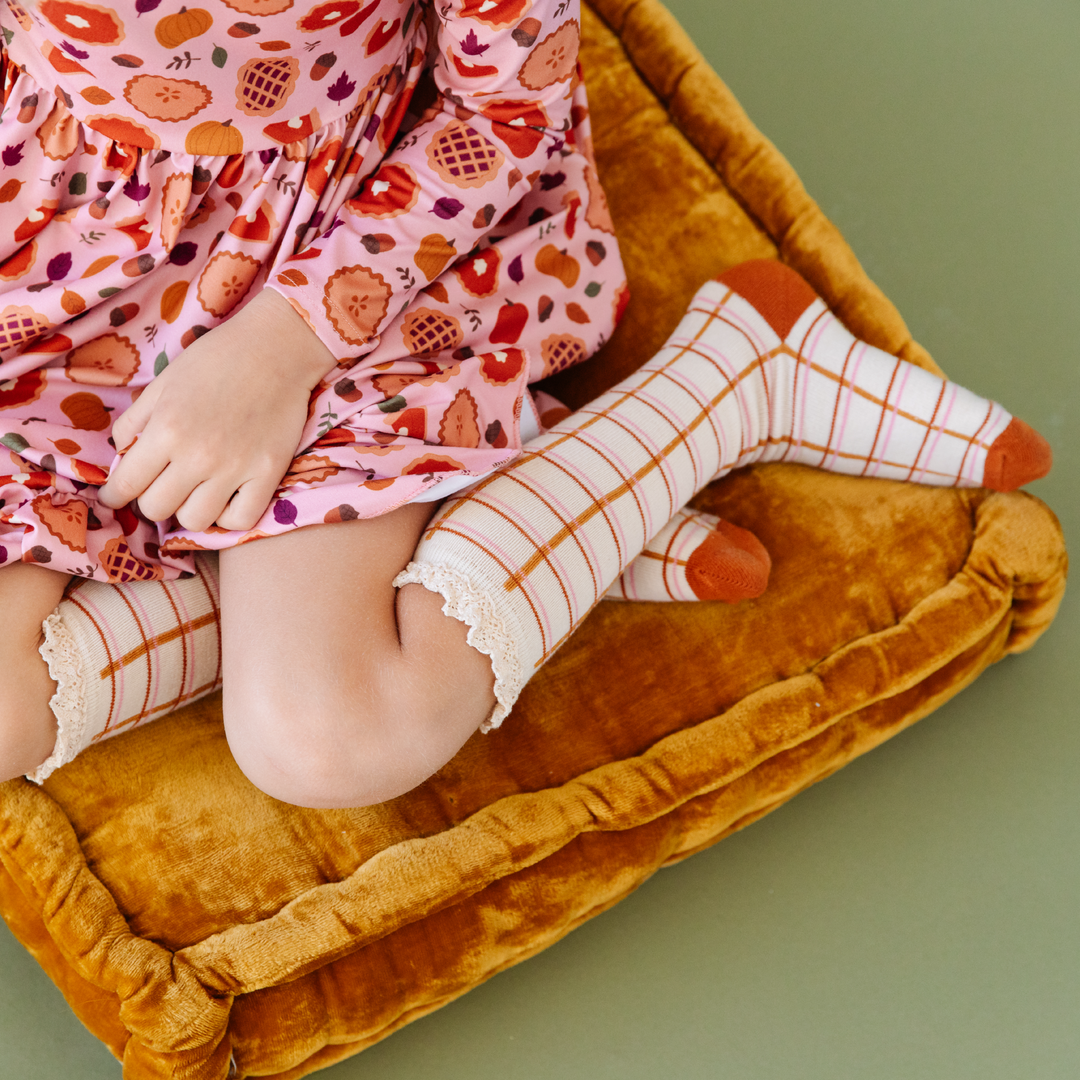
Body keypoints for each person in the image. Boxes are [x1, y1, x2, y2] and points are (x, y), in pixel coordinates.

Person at [0, 0, 1051, 805]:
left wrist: (276, 353)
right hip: (72, 241)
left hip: (358, 247)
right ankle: (526, 505)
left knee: (326, 741)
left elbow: (505, 115)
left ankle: (734, 379)